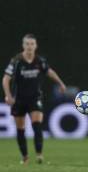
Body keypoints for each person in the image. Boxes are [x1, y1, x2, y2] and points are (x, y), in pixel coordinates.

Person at [2, 34, 67, 164]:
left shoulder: (39, 61)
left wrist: (60, 83)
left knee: (36, 125)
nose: (30, 46)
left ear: (36, 45)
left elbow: (49, 72)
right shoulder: (16, 61)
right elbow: (6, 79)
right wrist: (8, 95)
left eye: (32, 44)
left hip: (35, 98)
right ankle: (25, 157)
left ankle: (39, 154)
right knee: (21, 129)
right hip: (18, 99)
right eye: (27, 44)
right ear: (23, 45)